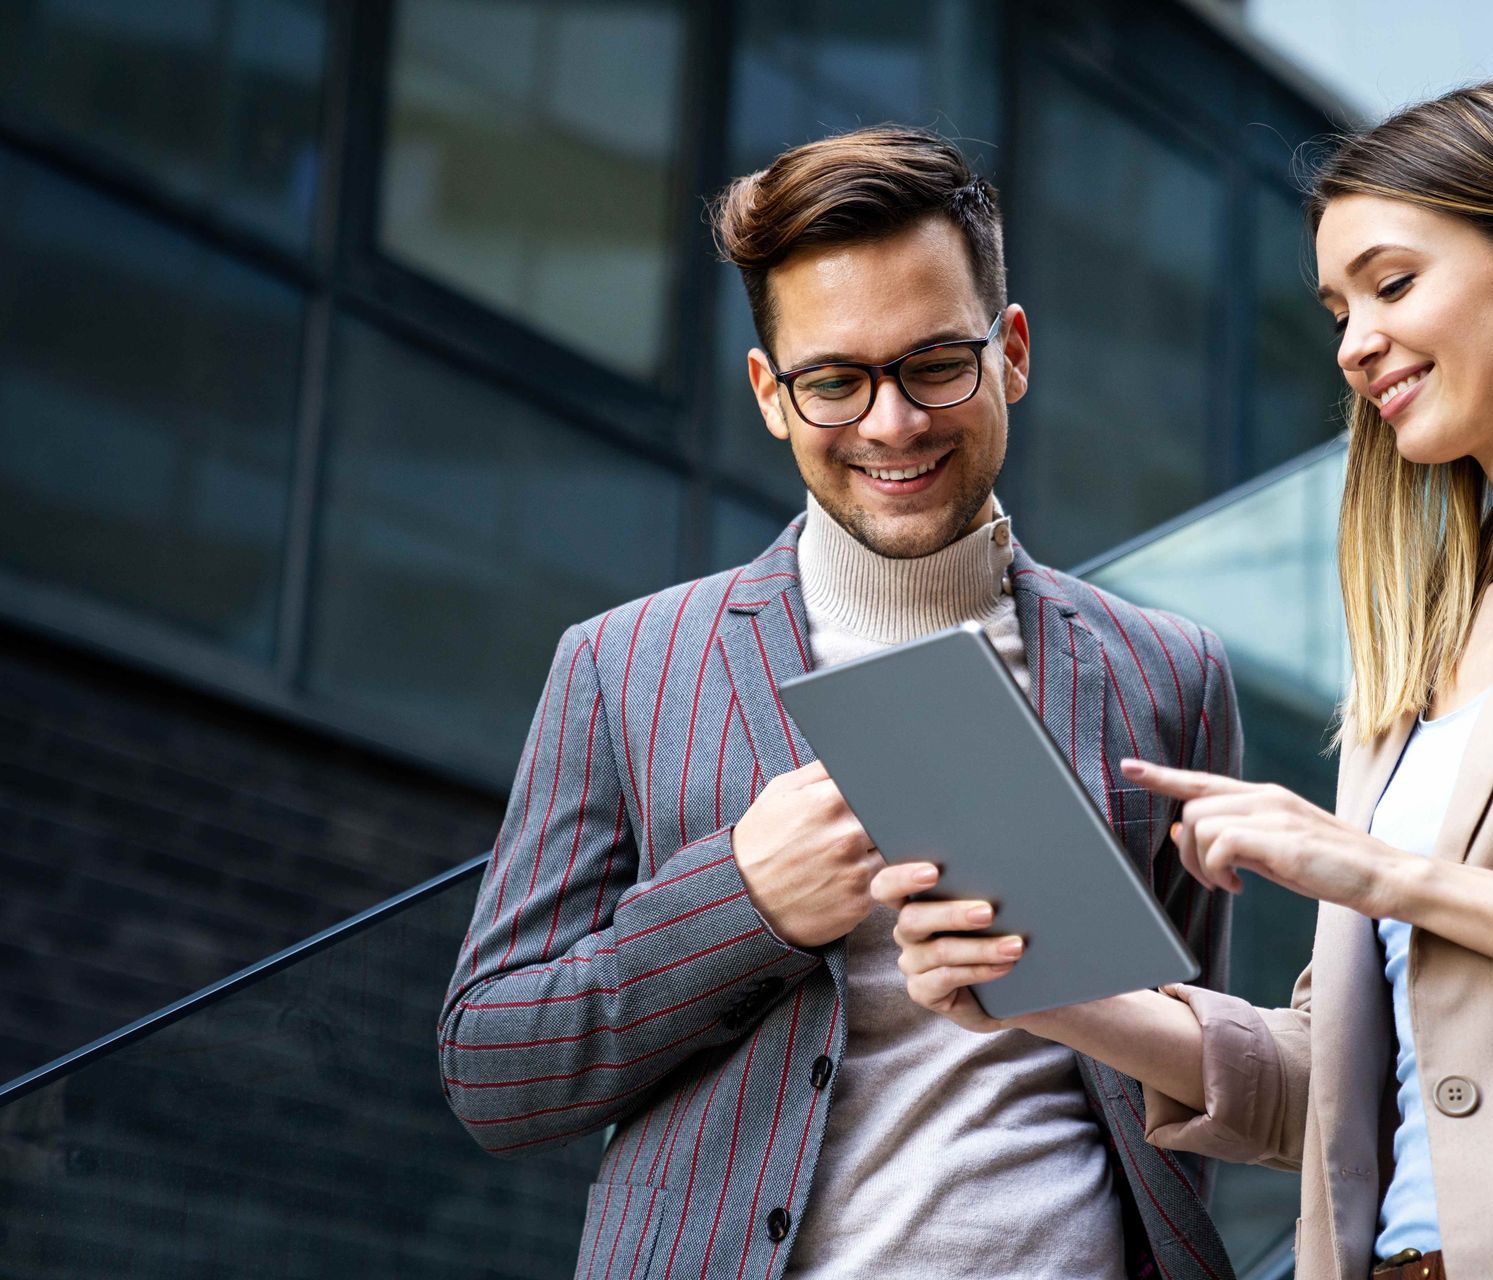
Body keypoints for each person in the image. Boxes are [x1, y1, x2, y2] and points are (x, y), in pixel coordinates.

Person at [876, 79, 1493, 1279]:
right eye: (1337, 306)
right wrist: (1048, 994)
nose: (1355, 341)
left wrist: (1387, 874)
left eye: (1393, 283)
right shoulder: (1422, 654)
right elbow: (1344, 1075)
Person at [436, 126, 1241, 1280]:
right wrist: (742, 903)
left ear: (1012, 351)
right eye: (835, 380)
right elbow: (493, 1069)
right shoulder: (623, 663)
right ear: (771, 394)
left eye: (935, 364)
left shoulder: (1168, 674)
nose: (893, 422)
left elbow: (1191, 1071)